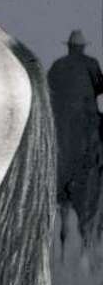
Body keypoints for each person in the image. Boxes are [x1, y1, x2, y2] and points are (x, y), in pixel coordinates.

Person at [47, 29, 103, 247]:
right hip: (86, 124)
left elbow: (47, 90)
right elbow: (99, 87)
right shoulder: (91, 63)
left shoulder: (57, 66)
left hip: (59, 128)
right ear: (82, 47)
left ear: (68, 47)